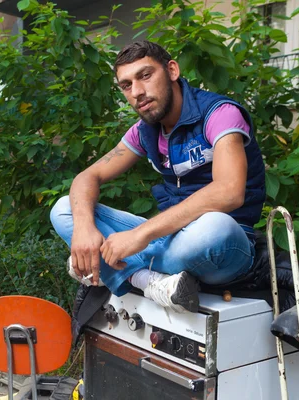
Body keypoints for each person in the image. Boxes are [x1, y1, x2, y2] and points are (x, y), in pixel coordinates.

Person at [50, 40, 266, 313]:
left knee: (214, 227)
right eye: (127, 85)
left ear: (172, 70)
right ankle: (145, 280)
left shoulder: (219, 114)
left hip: (224, 246)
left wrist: (140, 235)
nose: (137, 92)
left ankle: (109, 268)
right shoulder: (145, 131)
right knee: (66, 208)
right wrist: (83, 230)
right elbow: (87, 177)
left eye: (145, 75)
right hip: (169, 239)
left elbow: (229, 191)